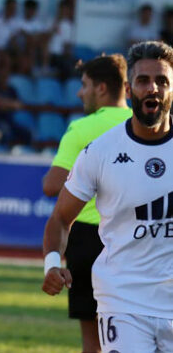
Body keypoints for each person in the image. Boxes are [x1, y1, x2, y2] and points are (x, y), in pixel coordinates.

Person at [42, 41, 173, 352]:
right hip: (123, 301)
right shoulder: (100, 152)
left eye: (162, 81)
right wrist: (51, 263)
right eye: (143, 81)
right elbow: (60, 217)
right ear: (128, 90)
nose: (152, 88)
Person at [41, 54, 131, 353]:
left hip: (88, 238)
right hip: (133, 236)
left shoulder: (81, 129)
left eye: (85, 85)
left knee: (93, 342)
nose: (81, 92)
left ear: (101, 88)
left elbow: (52, 185)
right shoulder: (144, 127)